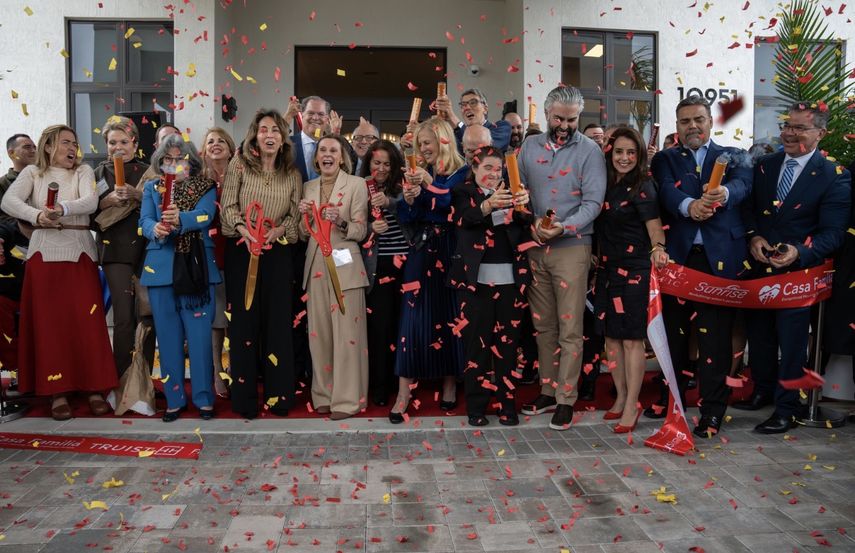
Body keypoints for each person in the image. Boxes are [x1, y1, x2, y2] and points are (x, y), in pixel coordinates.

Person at [741, 102, 851, 434]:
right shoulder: (765, 165)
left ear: (821, 133)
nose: (789, 133)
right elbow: (749, 210)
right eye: (787, 125)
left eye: (800, 128)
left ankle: (786, 409)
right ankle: (762, 390)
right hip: (759, 270)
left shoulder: (833, 175)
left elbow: (833, 233)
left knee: (792, 344)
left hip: (800, 276)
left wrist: (798, 253)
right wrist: (754, 236)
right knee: (759, 336)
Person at [651, 95, 752, 438]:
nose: (692, 126)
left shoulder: (734, 155)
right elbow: (666, 191)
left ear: (710, 121)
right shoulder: (665, 159)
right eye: (685, 121)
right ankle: (673, 402)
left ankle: (712, 411)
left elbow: (743, 186)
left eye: (698, 119)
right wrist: (689, 206)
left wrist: (723, 193)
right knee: (674, 337)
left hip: (719, 261)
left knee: (716, 340)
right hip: (678, 260)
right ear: (677, 126)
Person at [1, 124, 117, 420]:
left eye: (74, 143)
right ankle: (57, 392)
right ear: (49, 146)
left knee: (87, 323)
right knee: (50, 326)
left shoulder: (83, 172)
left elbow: (90, 202)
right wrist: (37, 215)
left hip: (79, 254)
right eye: (65, 142)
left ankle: (94, 388)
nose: (72, 148)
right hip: (43, 254)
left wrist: (61, 209)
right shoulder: (32, 173)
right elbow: (8, 201)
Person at [517, 85, 607, 431]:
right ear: (546, 113)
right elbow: (520, 192)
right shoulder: (529, 146)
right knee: (544, 327)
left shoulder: (590, 151)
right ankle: (547, 390)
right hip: (535, 246)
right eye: (558, 118)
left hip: (573, 247)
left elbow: (593, 203)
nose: (565, 126)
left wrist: (564, 227)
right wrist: (529, 223)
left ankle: (566, 398)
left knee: (570, 328)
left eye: (572, 120)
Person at [221, 110, 301, 419]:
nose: (269, 135)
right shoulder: (239, 165)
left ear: (283, 139)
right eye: (263, 129)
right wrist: (245, 231)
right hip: (243, 250)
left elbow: (295, 217)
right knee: (244, 323)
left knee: (277, 323)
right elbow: (228, 207)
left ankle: (279, 397)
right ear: (255, 136)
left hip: (277, 252)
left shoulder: (292, 173)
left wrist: (279, 231)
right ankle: (244, 400)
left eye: (275, 130)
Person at [390, 117, 468, 423]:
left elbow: (451, 205)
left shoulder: (462, 173)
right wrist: (409, 200)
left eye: (428, 142)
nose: (423, 148)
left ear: (444, 140)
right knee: (413, 318)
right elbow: (406, 216)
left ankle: (450, 383)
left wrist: (427, 184)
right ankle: (403, 393)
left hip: (450, 250)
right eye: (420, 143)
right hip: (421, 251)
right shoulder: (418, 171)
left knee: (450, 316)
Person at [449, 146, 532, 427]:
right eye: (487, 168)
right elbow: (463, 219)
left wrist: (524, 205)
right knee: (477, 346)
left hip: (510, 281)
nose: (494, 174)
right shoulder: (463, 192)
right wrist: (488, 205)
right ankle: (476, 407)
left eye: (498, 169)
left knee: (508, 346)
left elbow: (526, 223)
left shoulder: (514, 190)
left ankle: (507, 405)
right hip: (476, 283)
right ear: (474, 169)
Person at [139, 134, 220, 422]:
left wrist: (181, 219)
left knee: (199, 339)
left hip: (197, 269)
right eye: (168, 159)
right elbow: (144, 220)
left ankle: (204, 399)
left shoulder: (206, 186)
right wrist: (155, 229)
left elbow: (206, 216)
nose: (173, 164)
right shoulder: (151, 188)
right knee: (168, 339)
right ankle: (174, 399)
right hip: (161, 270)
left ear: (191, 162)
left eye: (179, 159)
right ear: (160, 163)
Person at [594, 128, 668, 432]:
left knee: (631, 339)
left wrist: (659, 250)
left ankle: (632, 403)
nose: (624, 158)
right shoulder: (604, 183)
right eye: (619, 152)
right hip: (606, 270)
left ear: (639, 155)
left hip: (635, 269)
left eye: (631, 152)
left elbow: (655, 229)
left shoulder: (644, 185)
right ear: (610, 153)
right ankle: (621, 396)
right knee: (611, 338)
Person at [298, 135, 370, 420]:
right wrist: (304, 217)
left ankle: (348, 400)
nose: (327, 154)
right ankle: (323, 395)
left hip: (346, 268)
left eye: (333, 150)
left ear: (342, 158)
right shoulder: (308, 186)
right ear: (316, 158)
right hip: (315, 267)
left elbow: (360, 230)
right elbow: (303, 234)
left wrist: (339, 220)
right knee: (319, 336)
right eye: (322, 150)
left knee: (347, 336)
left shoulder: (356, 184)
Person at [92, 116, 151, 378]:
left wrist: (138, 195)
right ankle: (122, 379)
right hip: (115, 252)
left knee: (147, 316)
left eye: (124, 142)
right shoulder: (96, 174)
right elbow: (87, 217)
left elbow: (162, 208)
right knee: (124, 317)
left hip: (147, 251)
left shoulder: (149, 171)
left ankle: (143, 380)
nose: (118, 147)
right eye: (112, 142)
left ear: (134, 143)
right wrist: (106, 202)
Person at [359, 140, 409, 406]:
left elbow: (412, 212)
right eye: (376, 162)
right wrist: (370, 228)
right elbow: (353, 227)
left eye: (387, 164)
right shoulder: (359, 187)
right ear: (368, 163)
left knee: (404, 326)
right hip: (376, 266)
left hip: (406, 263)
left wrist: (390, 202)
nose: (380, 168)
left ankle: (402, 384)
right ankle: (379, 386)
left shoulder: (404, 186)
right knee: (379, 327)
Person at [200, 127, 236, 398]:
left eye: (221, 140)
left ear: (231, 148)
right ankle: (216, 372)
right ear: (204, 150)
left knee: (236, 319)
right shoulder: (198, 180)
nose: (216, 144)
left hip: (237, 253)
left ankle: (236, 368)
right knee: (216, 320)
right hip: (209, 256)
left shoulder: (240, 177)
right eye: (210, 141)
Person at [436, 88, 512, 152]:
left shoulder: (502, 127)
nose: (467, 108)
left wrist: (453, 118)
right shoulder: (455, 136)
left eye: (473, 103)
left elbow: (482, 147)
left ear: (485, 109)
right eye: (463, 105)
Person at [1, 134, 37, 217]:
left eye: (34, 147)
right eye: (27, 147)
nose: (33, 151)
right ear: (11, 153)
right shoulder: (2, 184)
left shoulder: (44, 177)